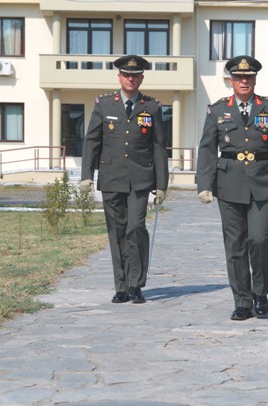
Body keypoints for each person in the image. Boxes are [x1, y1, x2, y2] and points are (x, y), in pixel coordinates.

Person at [196, 55, 268, 321]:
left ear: (254, 80)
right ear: (231, 81)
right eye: (239, 77)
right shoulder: (218, 110)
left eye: (248, 77)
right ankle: (242, 301)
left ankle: (260, 293)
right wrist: (204, 184)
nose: (244, 81)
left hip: (262, 183)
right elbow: (207, 150)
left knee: (259, 240)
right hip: (228, 184)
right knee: (235, 245)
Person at [80, 54, 169, 304]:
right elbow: (92, 141)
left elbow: (158, 147)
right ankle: (121, 286)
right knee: (117, 231)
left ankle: (136, 284)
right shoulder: (104, 104)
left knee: (135, 227)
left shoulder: (152, 107)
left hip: (141, 178)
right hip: (112, 177)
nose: (131, 79)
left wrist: (161, 184)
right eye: (127, 75)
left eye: (135, 75)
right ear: (119, 77)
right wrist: (87, 175)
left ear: (142, 78)